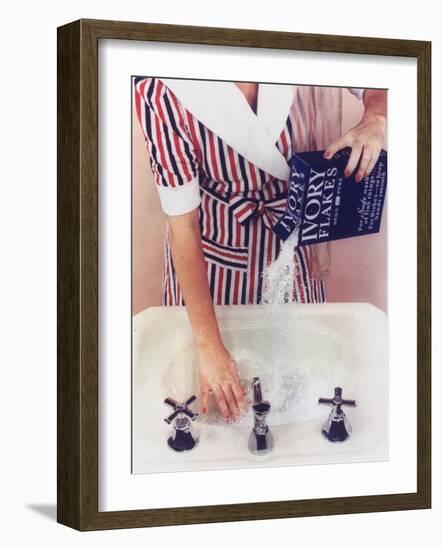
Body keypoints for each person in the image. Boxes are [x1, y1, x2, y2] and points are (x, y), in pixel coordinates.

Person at [134, 78, 387, 420]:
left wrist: (377, 117)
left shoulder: (306, 44)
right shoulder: (162, 89)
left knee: (298, 376)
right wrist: (209, 345)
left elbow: (382, 77)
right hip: (212, 254)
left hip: (293, 240)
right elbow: (183, 227)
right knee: (214, 400)